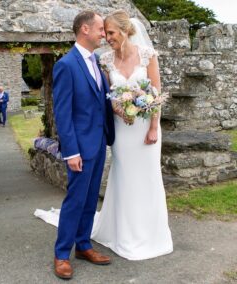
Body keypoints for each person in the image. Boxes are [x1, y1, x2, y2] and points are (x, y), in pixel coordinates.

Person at [91, 9, 173, 261]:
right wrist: (117, 107)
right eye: (105, 33)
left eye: (112, 32)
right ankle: (124, 233)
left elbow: (156, 94)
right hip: (122, 131)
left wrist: (152, 127)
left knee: (148, 178)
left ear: (126, 31)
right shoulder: (105, 60)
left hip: (146, 128)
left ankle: (151, 234)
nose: (108, 38)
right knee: (125, 177)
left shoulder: (147, 55)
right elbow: (107, 96)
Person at [50, 11, 115, 279]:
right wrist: (72, 152)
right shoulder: (66, 64)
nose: (104, 33)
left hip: (99, 143)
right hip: (80, 148)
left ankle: (84, 245)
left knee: (90, 199)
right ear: (85, 30)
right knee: (75, 200)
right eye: (101, 29)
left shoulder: (97, 61)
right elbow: (62, 113)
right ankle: (62, 254)